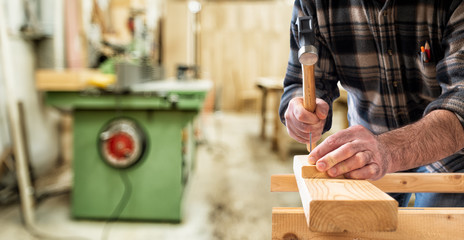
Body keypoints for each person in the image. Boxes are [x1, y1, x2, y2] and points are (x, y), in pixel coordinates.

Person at [279, 0, 464, 207]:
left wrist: (389, 149)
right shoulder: (314, 3)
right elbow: (301, 81)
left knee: (439, 228)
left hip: (449, 149)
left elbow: (462, 101)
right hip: (367, 149)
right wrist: (299, 111)